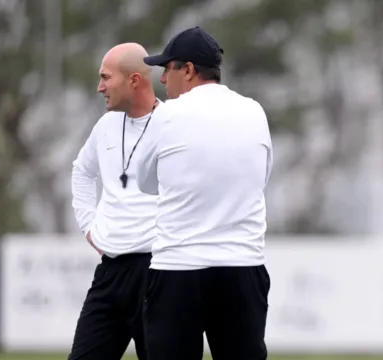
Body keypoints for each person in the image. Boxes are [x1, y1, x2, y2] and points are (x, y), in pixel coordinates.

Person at [136, 26, 273, 360]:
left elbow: (144, 181)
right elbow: (260, 176)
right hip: (243, 267)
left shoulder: (165, 116)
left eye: (167, 69)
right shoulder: (254, 111)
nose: (163, 80)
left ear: (189, 70)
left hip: (179, 270)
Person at [68, 42, 162, 360]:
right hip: (110, 274)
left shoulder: (173, 126)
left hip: (158, 274)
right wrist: (88, 226)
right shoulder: (106, 126)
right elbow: (82, 172)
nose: (100, 87)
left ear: (134, 80)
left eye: (106, 77)